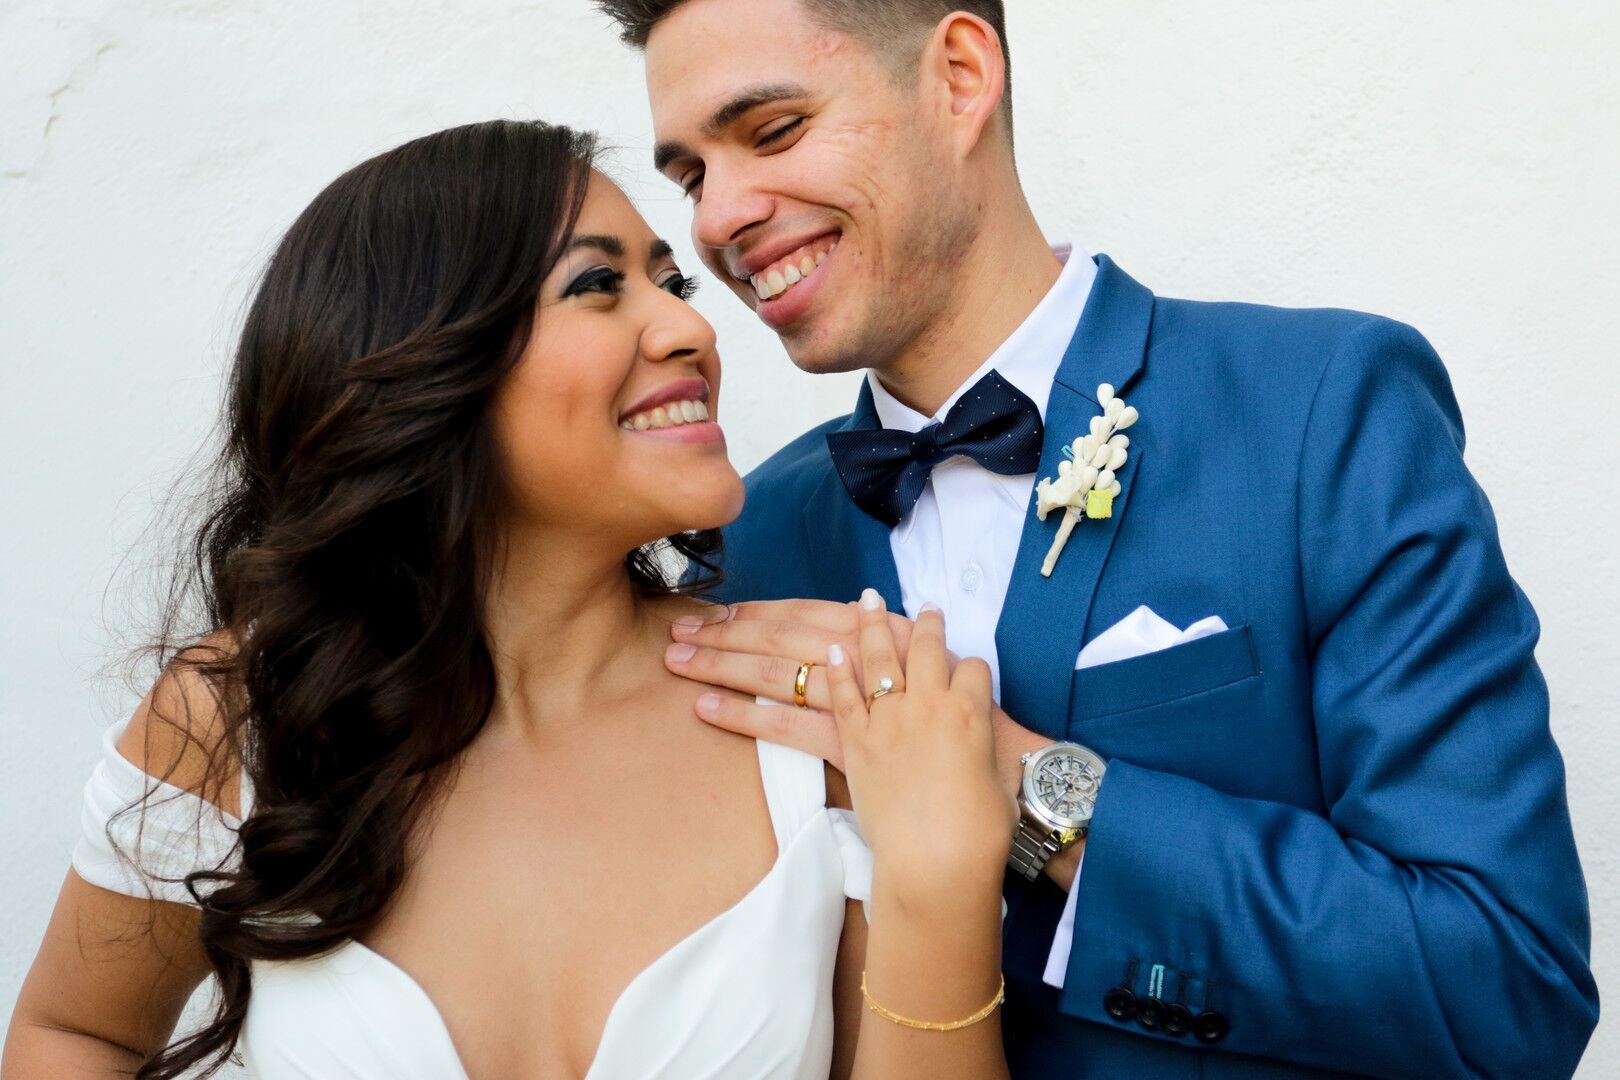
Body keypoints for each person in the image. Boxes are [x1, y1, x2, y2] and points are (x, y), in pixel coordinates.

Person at [593, 0, 1602, 1076]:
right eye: (693, 174)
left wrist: (1024, 785)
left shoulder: (1323, 412)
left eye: (774, 131)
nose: (718, 218)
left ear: (961, 76)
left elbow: (1506, 984)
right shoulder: (744, 547)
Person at [2, 120, 1017, 1080]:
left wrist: (942, 876)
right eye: (597, 285)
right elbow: (73, 1030)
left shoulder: (802, 714)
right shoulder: (238, 715)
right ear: (423, 365)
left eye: (668, 281)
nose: (689, 325)